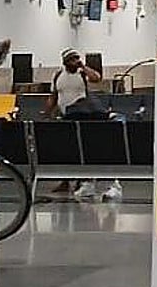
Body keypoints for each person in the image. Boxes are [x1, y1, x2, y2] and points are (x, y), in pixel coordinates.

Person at [45, 49, 119, 202]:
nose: (75, 61)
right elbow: (54, 96)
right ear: (65, 61)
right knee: (67, 149)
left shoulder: (82, 73)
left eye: (77, 58)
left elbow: (97, 78)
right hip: (67, 116)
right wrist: (47, 113)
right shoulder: (59, 75)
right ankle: (66, 181)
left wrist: (83, 66)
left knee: (83, 148)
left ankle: (84, 180)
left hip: (84, 115)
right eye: (72, 59)